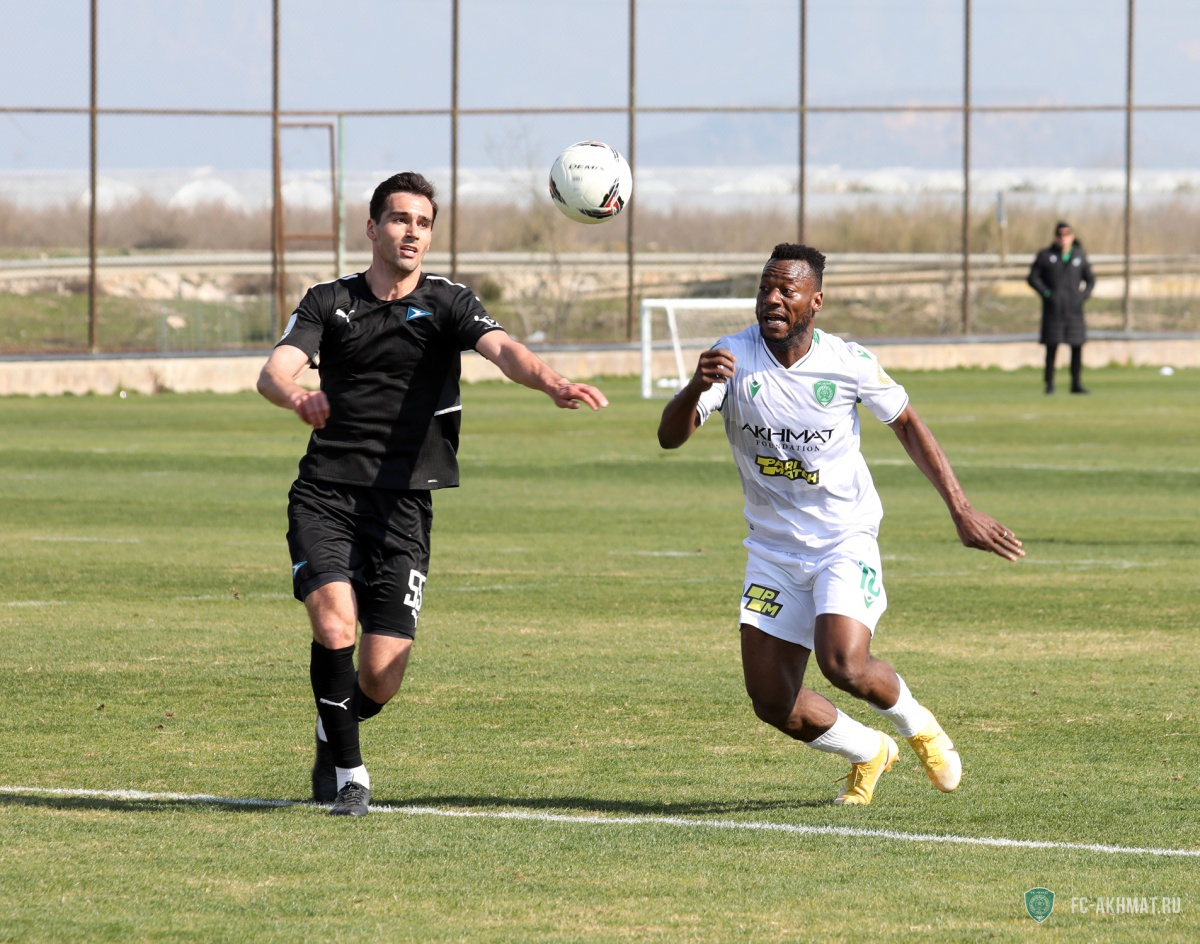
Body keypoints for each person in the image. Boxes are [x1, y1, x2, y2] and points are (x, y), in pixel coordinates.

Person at [257, 171, 608, 816]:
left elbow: (505, 351)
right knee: (335, 625)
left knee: (381, 676)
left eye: (422, 223)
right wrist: (297, 395)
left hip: (405, 505)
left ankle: (333, 726)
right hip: (327, 494)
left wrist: (553, 382)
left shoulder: (449, 303)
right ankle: (351, 776)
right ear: (372, 228)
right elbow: (274, 371)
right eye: (399, 219)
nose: (411, 232)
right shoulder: (328, 301)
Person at [657, 243, 1024, 806]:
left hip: (842, 538)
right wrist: (695, 386)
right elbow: (669, 437)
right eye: (765, 288)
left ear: (816, 301)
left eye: (787, 290)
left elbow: (908, 424)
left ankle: (919, 726)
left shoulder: (847, 362)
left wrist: (961, 508)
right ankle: (869, 750)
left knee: (843, 663)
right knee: (771, 702)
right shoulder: (730, 357)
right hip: (772, 550)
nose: (772, 299)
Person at [1027, 221, 1095, 394]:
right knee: (1052, 346)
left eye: (1066, 235)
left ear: (1072, 236)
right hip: (1053, 309)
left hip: (1074, 309)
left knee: (1077, 346)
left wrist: (1082, 296)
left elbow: (1090, 280)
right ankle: (1049, 384)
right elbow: (1033, 278)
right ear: (1056, 237)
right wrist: (1047, 294)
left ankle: (1076, 383)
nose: (1063, 238)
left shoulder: (1079, 256)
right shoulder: (1045, 256)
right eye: (1060, 235)